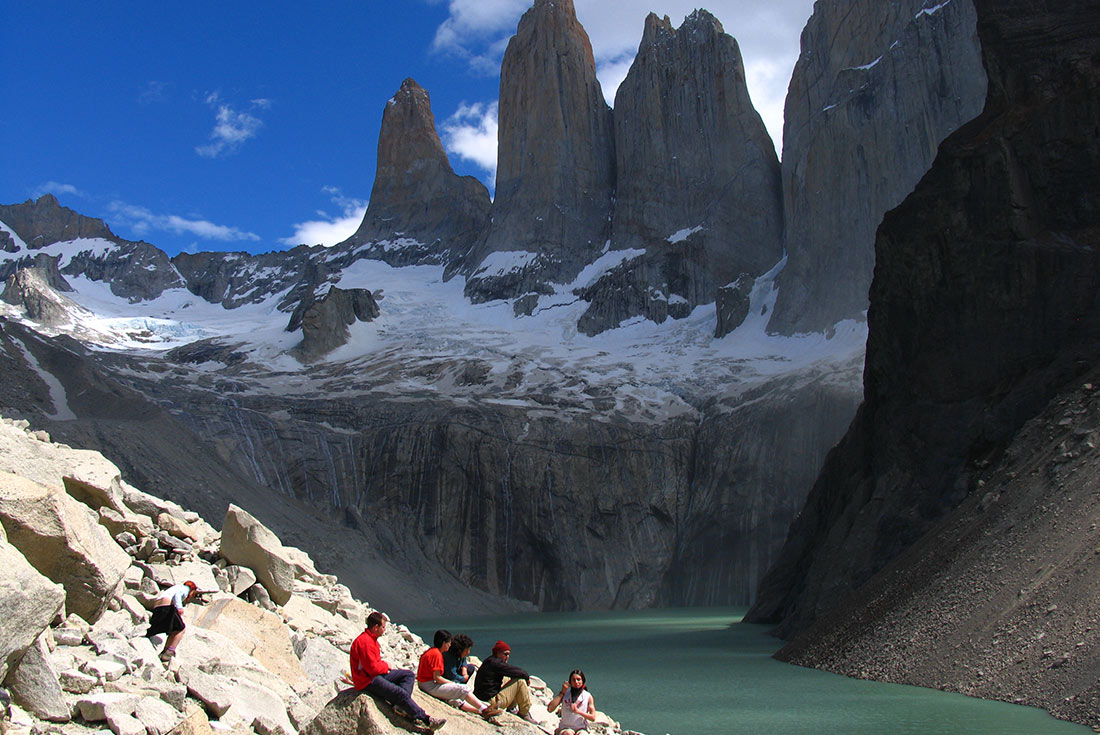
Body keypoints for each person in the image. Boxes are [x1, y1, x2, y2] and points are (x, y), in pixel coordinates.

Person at [350, 612, 446, 733]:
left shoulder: (371, 639)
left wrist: (383, 666)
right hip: (367, 680)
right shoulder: (365, 642)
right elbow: (372, 668)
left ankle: (401, 705)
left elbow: (374, 665)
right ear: (375, 627)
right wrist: (385, 666)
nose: (384, 630)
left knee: (408, 675)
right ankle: (426, 720)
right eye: (383, 627)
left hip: (374, 675)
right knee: (399, 693)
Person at [416, 630, 501, 720]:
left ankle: (483, 709)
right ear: (444, 643)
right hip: (429, 685)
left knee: (458, 695)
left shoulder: (433, 651)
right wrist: (452, 683)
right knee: (463, 689)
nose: (450, 645)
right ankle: (484, 709)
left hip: (425, 683)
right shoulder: (437, 655)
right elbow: (437, 678)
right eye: (449, 643)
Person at [473, 640, 538, 724]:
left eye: (508, 654)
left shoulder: (489, 661)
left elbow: (512, 671)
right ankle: (524, 713)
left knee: (508, 677)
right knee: (520, 681)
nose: (507, 657)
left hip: (481, 698)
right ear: (497, 653)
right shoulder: (496, 663)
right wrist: (526, 677)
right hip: (491, 702)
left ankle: (511, 708)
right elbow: (519, 672)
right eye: (505, 654)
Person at [145, 580, 197, 662]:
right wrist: (179, 607)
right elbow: (178, 595)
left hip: (157, 606)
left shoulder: (175, 587)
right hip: (166, 606)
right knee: (181, 628)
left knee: (170, 628)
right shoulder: (185, 588)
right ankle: (169, 652)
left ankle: (162, 650)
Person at [546, 670, 596, 735]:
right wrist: (562, 692)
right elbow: (550, 709)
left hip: (581, 728)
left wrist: (578, 711)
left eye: (578, 679)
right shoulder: (565, 694)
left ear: (583, 681)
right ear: (570, 682)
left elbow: (593, 717)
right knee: (568, 733)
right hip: (565, 727)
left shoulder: (587, 696)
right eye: (573, 680)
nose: (576, 682)